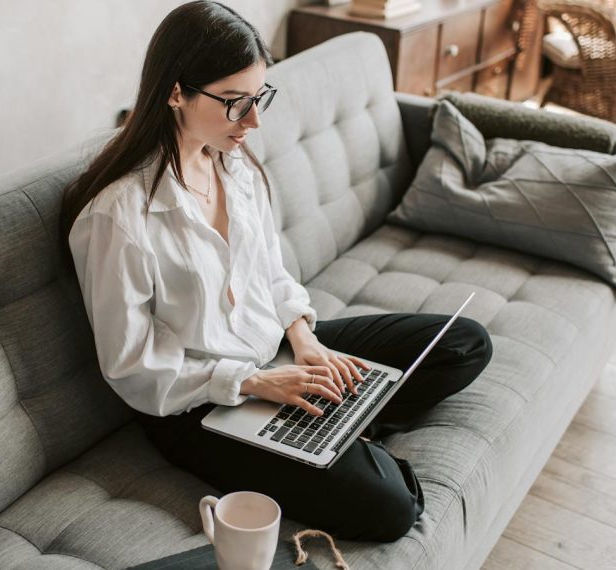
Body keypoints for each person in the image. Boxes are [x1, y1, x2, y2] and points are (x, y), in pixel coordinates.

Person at [60, 0, 492, 542]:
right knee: (391, 509)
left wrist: (305, 339)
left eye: (259, 97)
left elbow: (270, 272)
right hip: (200, 404)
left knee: (464, 343)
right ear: (176, 92)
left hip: (276, 354)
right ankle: (337, 431)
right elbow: (132, 368)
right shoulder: (117, 217)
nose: (255, 120)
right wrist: (257, 383)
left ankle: (333, 424)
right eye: (237, 102)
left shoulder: (232, 164)